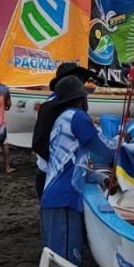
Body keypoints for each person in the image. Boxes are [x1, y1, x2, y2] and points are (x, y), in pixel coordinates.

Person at [40, 75, 120, 264]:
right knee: (67, 263)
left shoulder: (61, 120)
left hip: (53, 200)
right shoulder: (78, 117)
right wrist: (122, 142)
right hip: (64, 201)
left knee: (56, 261)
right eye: (86, 97)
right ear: (80, 99)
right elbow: (105, 149)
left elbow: (74, 166)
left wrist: (101, 178)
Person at [32, 64, 94, 198]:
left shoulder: (76, 106)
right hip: (53, 176)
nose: (81, 85)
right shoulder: (49, 108)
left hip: (71, 174)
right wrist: (64, 165)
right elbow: (38, 143)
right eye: (77, 80)